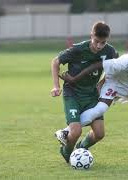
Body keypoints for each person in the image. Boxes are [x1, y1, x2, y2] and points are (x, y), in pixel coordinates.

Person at [60, 49, 128, 162]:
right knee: (101, 109)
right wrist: (75, 79)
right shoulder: (123, 62)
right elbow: (99, 65)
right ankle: (66, 131)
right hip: (116, 84)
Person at [50, 21, 118, 163]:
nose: (99, 46)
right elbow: (55, 62)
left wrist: (102, 82)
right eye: (96, 41)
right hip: (73, 93)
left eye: (103, 42)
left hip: (92, 95)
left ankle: (81, 147)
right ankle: (67, 154)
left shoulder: (110, 51)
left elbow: (115, 68)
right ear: (91, 35)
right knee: (75, 132)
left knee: (99, 134)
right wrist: (56, 86)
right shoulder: (78, 49)